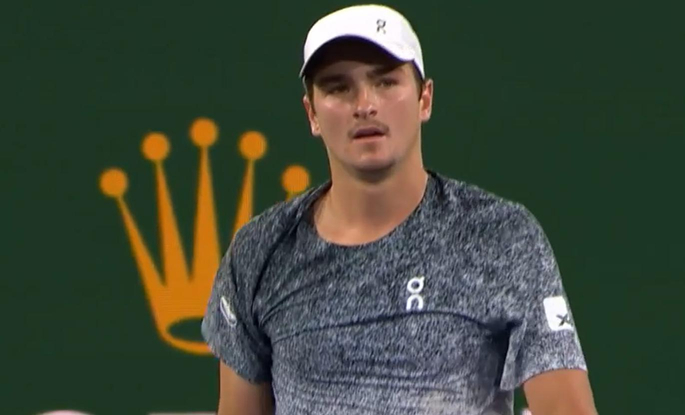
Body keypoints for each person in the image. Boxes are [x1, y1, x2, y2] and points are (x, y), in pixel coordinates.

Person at [202, 4, 598, 415]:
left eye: (386, 82)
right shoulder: (259, 252)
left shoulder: (500, 236)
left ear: (425, 99)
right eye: (338, 88)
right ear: (312, 114)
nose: (365, 105)